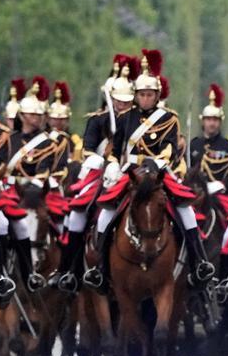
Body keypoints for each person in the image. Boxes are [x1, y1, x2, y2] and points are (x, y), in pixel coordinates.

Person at [85, 49, 214, 289]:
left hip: (159, 172)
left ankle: (199, 263)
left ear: (157, 96)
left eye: (150, 94)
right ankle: (100, 269)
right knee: (105, 214)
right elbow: (115, 148)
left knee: (185, 209)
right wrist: (113, 164)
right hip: (131, 172)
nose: (145, 98)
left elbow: (171, 149)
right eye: (142, 94)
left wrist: (156, 164)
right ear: (136, 95)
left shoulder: (169, 119)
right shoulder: (125, 118)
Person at [54, 54, 136, 292]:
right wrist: (106, 162)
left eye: (126, 101)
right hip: (103, 174)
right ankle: (69, 271)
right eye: (118, 101)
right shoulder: (97, 121)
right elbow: (88, 151)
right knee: (80, 214)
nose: (122, 105)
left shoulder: (137, 122)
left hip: (131, 175)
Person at [3, 77, 68, 292]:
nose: (36, 119)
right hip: (9, 190)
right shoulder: (9, 140)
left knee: (61, 222)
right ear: (22, 116)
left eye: (39, 115)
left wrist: (29, 182)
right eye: (31, 115)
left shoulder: (50, 143)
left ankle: (63, 270)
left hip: (38, 192)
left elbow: (45, 171)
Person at [189, 83, 228, 193]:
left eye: (215, 120)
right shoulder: (194, 144)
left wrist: (222, 184)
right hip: (198, 195)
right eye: (209, 119)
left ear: (220, 121)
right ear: (203, 120)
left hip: (221, 195)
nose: (212, 123)